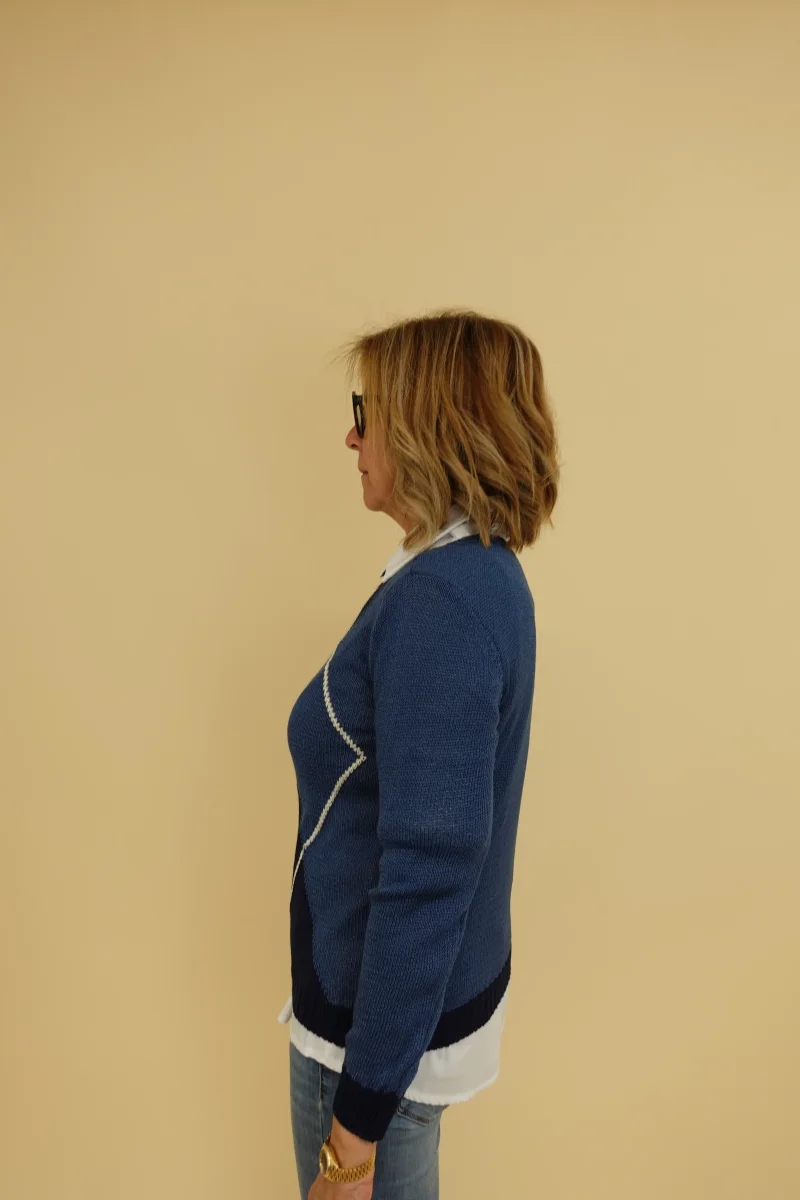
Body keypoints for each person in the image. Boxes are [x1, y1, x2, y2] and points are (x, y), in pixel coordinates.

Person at [278, 308, 560, 1198]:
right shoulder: (475, 573)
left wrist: (352, 1139)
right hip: (396, 1033)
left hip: (371, 1055)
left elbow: (429, 874)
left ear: (428, 429)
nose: (351, 437)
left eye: (366, 412)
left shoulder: (442, 605)